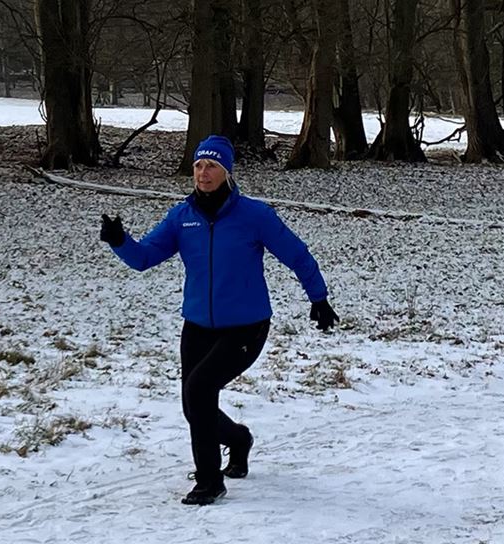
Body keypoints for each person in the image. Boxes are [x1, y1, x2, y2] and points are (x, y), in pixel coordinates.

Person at [99, 134, 339, 505]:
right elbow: (144, 258)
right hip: (197, 325)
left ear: (226, 172)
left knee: (200, 391)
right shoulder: (182, 217)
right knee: (193, 407)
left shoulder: (254, 215)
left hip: (246, 326)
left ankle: (209, 481)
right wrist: (119, 240)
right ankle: (239, 439)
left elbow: (297, 254)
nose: (203, 172)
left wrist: (318, 298)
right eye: (198, 165)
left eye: (211, 166)